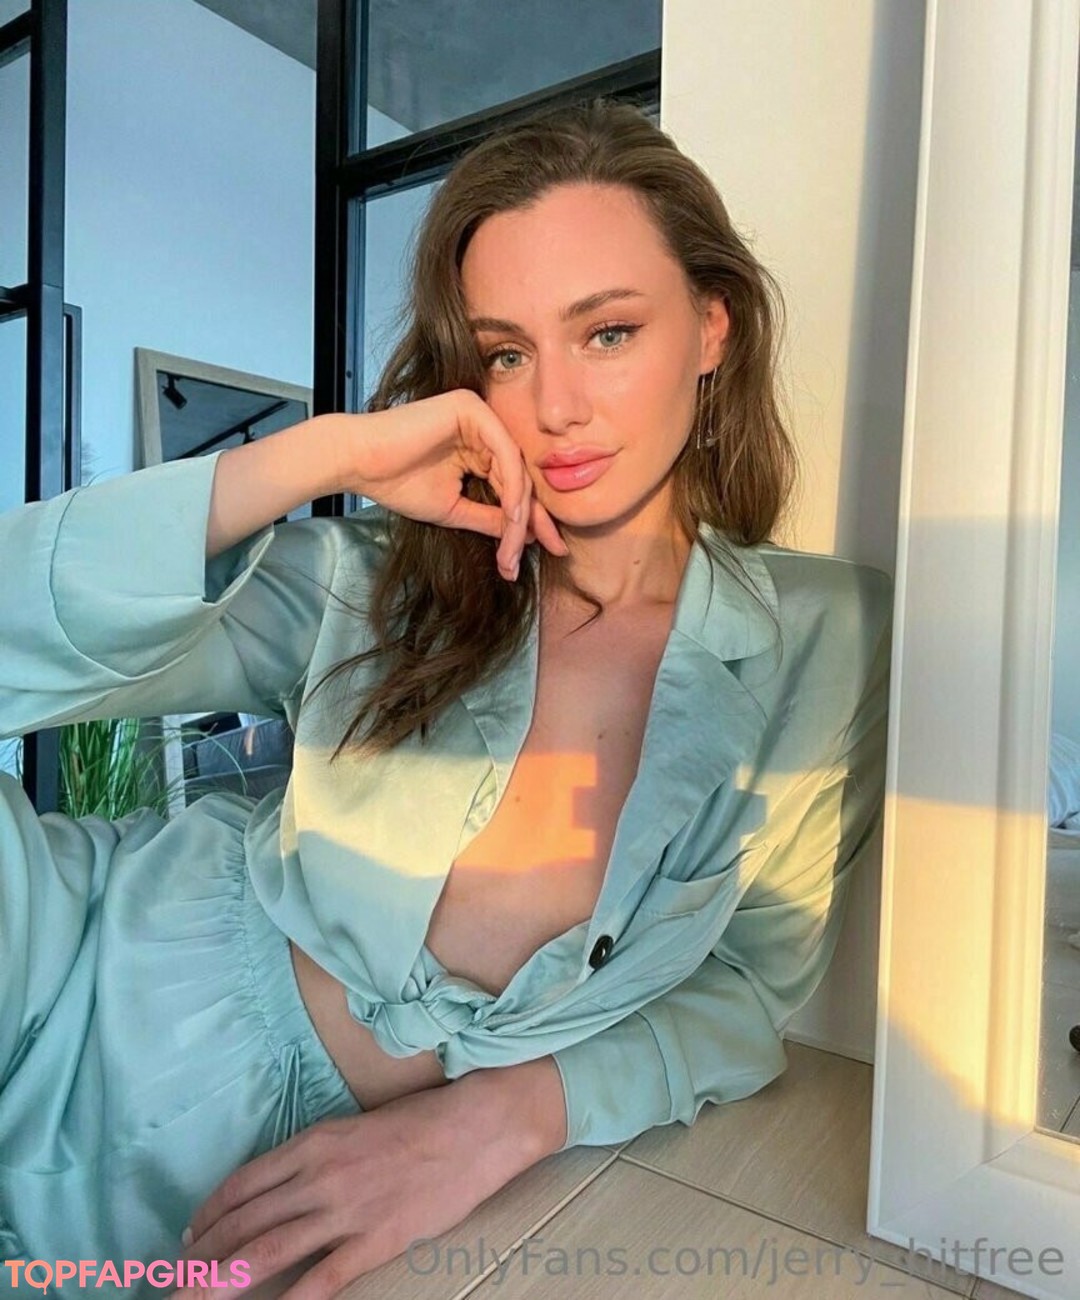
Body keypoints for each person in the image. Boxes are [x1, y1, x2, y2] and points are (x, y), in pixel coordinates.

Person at [0, 98, 892, 1298]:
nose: (555, 407)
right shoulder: (372, 578)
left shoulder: (830, 636)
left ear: (712, 327)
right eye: (506, 354)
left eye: (608, 332)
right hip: (76, 988)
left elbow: (747, 988)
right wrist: (328, 455)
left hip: (290, 1199)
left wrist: (504, 1119)